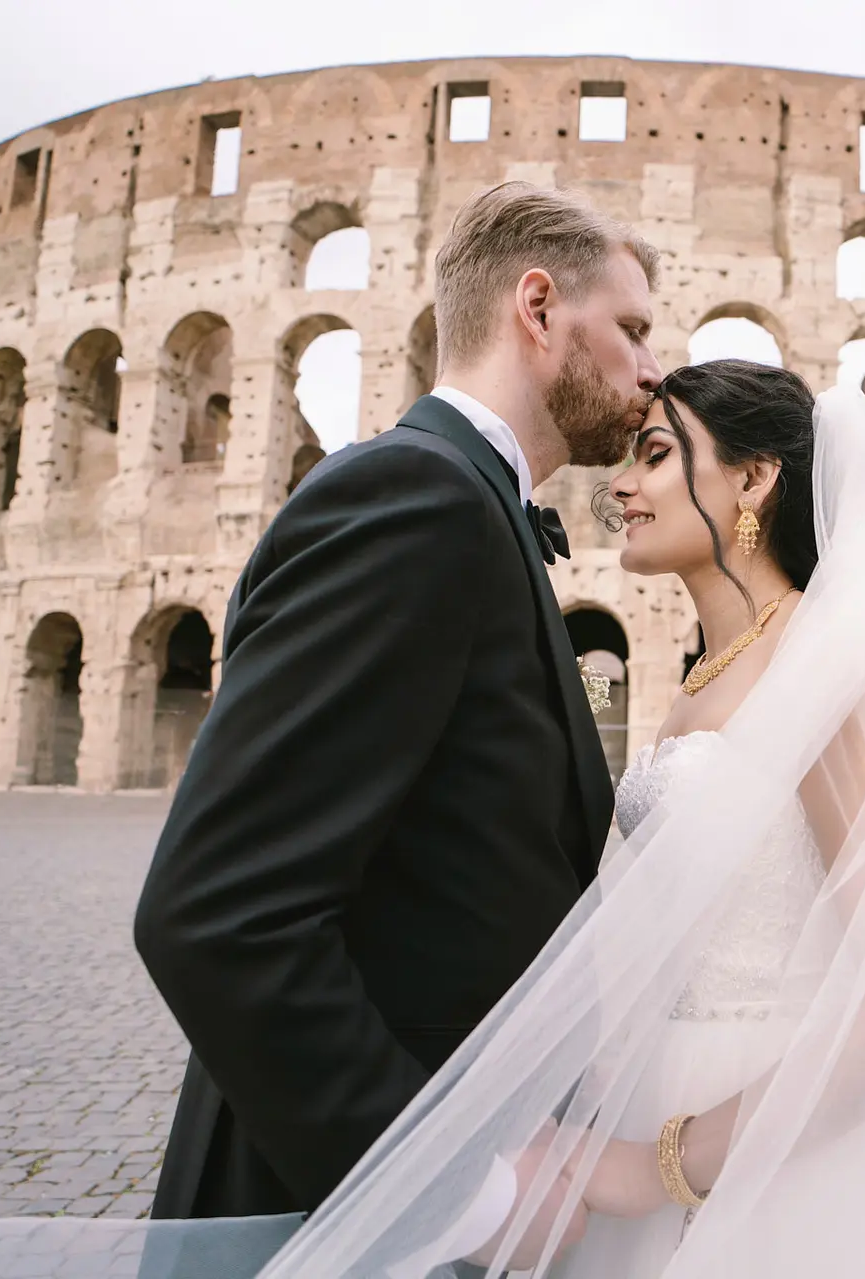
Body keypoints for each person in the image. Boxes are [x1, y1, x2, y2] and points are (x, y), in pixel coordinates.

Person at [255, 362, 865, 1278]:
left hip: (786, 1139)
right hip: (663, 1093)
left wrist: (659, 1164)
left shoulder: (820, 659)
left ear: (754, 477)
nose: (620, 484)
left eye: (656, 455)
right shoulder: (712, 668)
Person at [132, 180, 663, 1270]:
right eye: (634, 328)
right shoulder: (413, 501)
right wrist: (458, 1196)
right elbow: (219, 913)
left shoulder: (465, 503)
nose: (652, 368)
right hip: (341, 1210)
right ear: (537, 307)